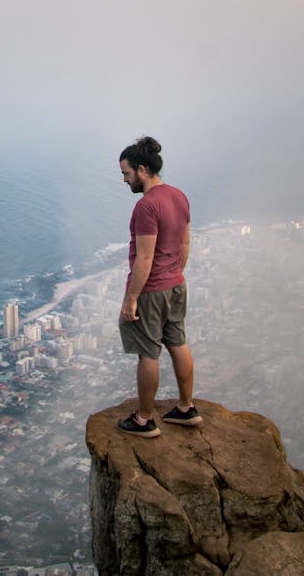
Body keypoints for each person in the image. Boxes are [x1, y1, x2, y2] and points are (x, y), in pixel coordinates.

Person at [117, 136, 202, 437]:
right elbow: (186, 242)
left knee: (148, 354)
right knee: (178, 342)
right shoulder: (179, 196)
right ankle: (186, 407)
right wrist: (175, 273)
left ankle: (144, 419)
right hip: (176, 285)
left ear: (142, 170)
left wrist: (131, 299)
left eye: (126, 174)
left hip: (151, 291)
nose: (125, 181)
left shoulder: (146, 207)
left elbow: (145, 259)